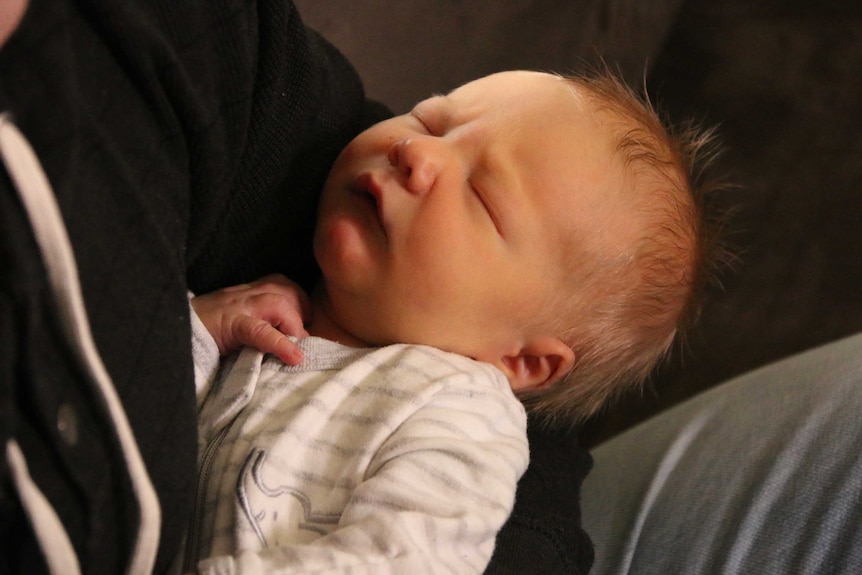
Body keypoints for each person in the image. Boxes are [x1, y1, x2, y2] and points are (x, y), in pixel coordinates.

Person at [181, 67, 715, 573]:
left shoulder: (459, 414)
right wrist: (200, 329)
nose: (415, 151)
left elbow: (404, 560)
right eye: (430, 120)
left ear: (524, 359)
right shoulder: (263, 307)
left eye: (482, 197)